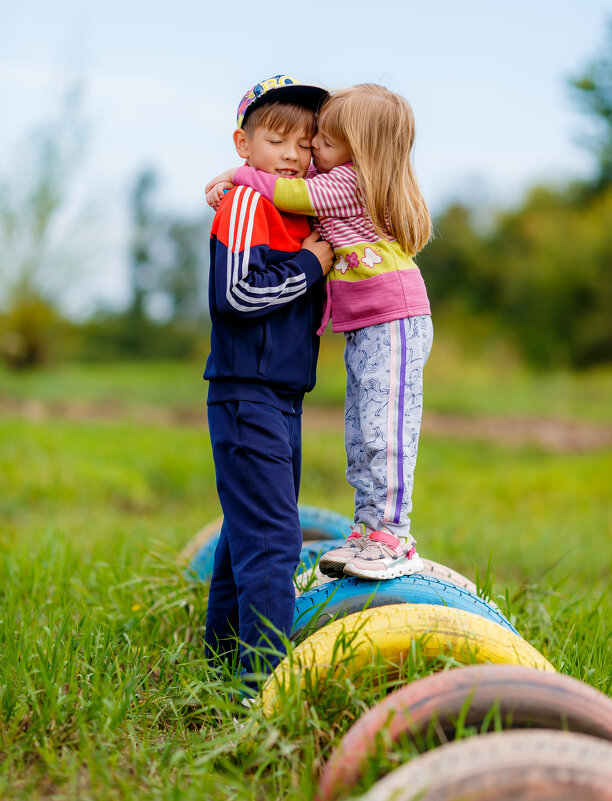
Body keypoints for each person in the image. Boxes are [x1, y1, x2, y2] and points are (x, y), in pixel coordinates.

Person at [205, 83, 433, 582]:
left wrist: (238, 174)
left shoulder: (347, 183)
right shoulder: (336, 179)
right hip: (369, 326)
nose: (306, 155)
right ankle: (369, 530)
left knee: (384, 431)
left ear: (358, 148)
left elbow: (287, 186)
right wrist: (247, 172)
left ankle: (392, 533)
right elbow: (288, 182)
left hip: (393, 319)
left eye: (318, 144)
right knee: (361, 431)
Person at [203, 75, 333, 685]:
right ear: (243, 142)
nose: (293, 155)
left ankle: (223, 665)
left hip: (283, 397)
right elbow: (234, 295)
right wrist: (311, 264)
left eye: (307, 145)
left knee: (248, 527)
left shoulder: (296, 206)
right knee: (276, 537)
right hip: (244, 393)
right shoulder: (248, 204)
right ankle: (262, 683)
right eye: (278, 140)